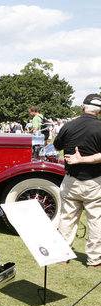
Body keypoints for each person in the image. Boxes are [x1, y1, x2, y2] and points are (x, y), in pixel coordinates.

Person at [53, 93, 101, 269]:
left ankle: (61, 255)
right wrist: (86, 159)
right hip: (95, 182)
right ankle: (94, 261)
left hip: (71, 179)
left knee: (67, 218)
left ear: (83, 107)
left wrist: (80, 159)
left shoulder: (69, 125)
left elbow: (57, 145)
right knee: (96, 220)